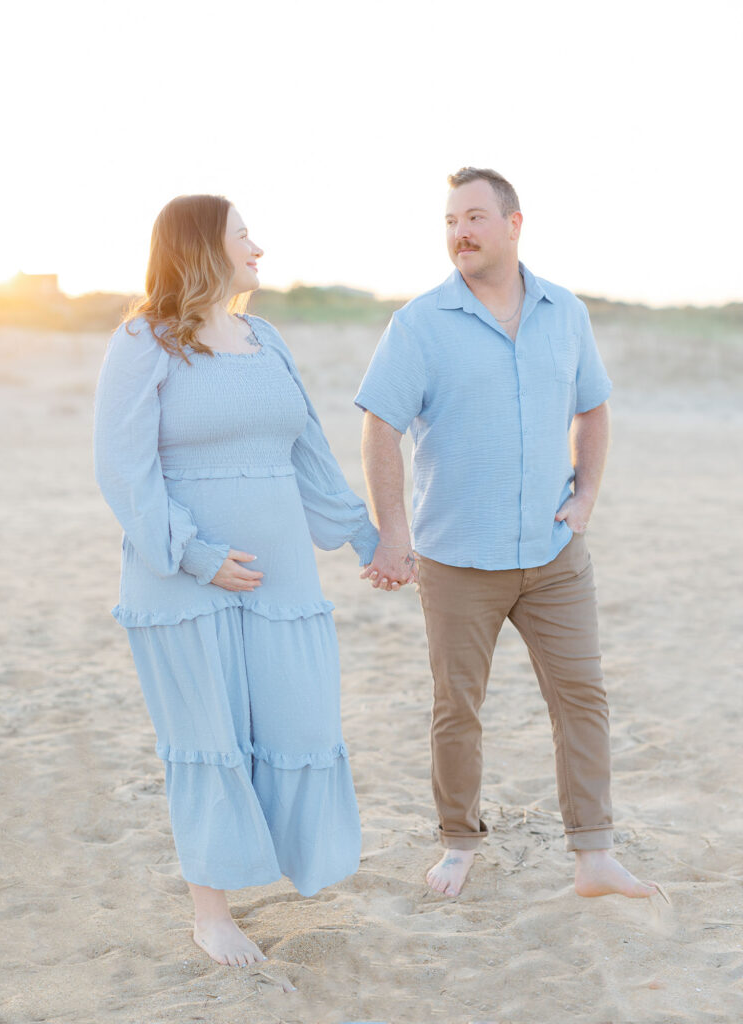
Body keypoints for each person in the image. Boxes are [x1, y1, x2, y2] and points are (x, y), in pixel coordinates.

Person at [355, 167, 659, 900]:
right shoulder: (421, 322)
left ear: (513, 224)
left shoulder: (566, 313)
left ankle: (594, 854)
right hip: (457, 558)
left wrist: (586, 495)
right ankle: (459, 842)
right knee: (457, 708)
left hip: (554, 554)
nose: (460, 231)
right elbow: (379, 427)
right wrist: (392, 533)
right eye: (451, 221)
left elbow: (594, 408)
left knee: (582, 696)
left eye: (474, 217)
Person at [94, 194, 378, 971]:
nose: (260, 248)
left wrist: (366, 537)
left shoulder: (267, 336)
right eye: (244, 237)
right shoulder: (143, 340)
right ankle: (210, 914)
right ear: (201, 249)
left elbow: (309, 450)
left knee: (297, 724)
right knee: (209, 742)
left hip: (281, 577)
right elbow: (123, 468)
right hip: (183, 581)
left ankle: (270, 867)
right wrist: (196, 554)